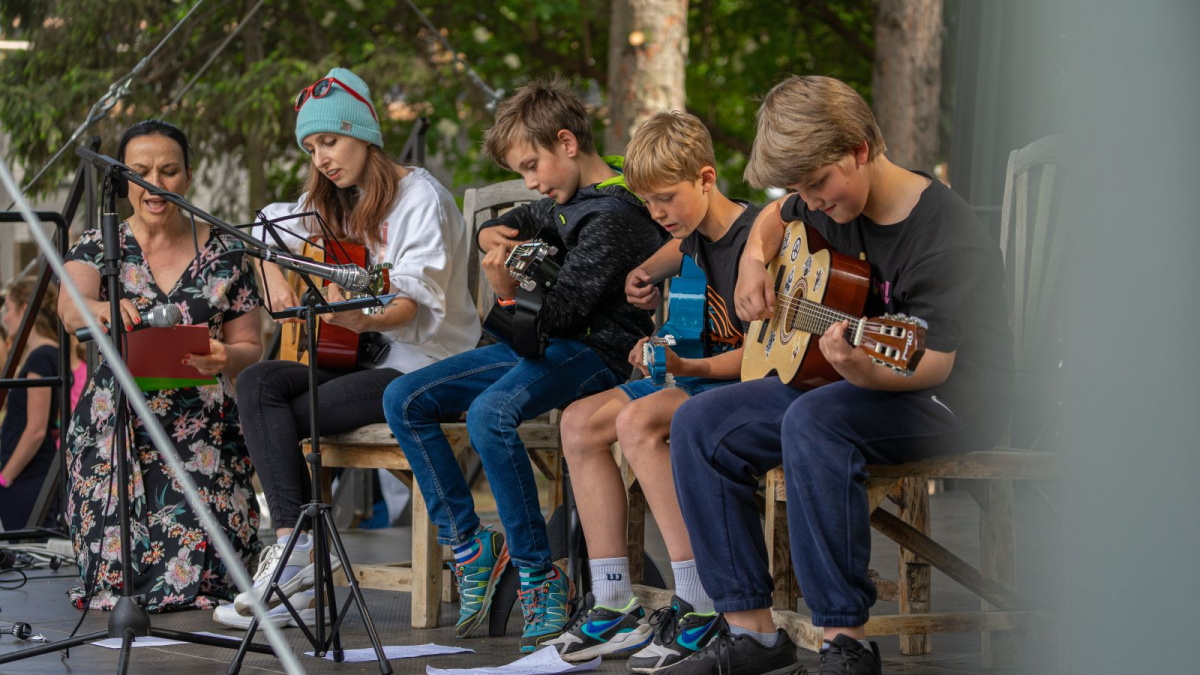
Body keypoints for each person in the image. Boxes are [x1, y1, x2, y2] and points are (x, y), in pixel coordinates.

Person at [666, 75, 1015, 675]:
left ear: (860, 148)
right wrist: (753, 262)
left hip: (949, 397)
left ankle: (844, 644)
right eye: (802, 187)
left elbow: (931, 362)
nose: (814, 200)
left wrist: (860, 369)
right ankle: (751, 634)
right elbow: (776, 216)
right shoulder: (830, 197)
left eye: (819, 183)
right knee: (700, 421)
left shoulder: (944, 237)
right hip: (854, 382)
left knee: (815, 419)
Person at [382, 77, 670, 653]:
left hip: (596, 354)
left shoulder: (611, 213)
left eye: (532, 165)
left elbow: (557, 319)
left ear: (567, 143)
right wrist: (496, 232)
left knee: (491, 413)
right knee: (403, 399)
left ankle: (540, 575)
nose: (531, 181)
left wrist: (506, 286)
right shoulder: (566, 198)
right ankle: (471, 548)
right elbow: (517, 219)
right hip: (535, 347)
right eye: (522, 171)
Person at [222, 67, 481, 628]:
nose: (321, 158)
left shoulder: (420, 199)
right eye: (311, 147)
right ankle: (298, 550)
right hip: (360, 362)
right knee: (257, 382)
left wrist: (351, 316)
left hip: (427, 367)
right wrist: (274, 286)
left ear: (365, 132)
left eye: (330, 141)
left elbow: (409, 307)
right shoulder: (332, 199)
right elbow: (267, 229)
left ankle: (298, 560)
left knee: (286, 415)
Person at [545, 111, 758, 667]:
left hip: (730, 383)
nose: (658, 212)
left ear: (707, 179)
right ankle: (615, 602)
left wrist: (684, 362)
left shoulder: (754, 242)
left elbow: (763, 358)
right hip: (692, 375)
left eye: (666, 198)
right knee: (578, 422)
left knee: (636, 422)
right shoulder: (689, 239)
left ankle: (699, 597)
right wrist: (643, 277)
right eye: (647, 202)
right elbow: (678, 255)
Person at [58, 119, 264, 612]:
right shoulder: (97, 242)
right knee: (118, 576)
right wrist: (105, 309)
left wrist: (224, 358)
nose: (156, 183)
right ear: (123, 179)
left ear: (188, 177)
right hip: (117, 420)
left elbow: (250, 347)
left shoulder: (226, 251)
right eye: (141, 170)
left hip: (200, 425)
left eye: (169, 171)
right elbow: (70, 311)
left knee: (204, 577)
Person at [0, 278, 62, 531]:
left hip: (27, 479)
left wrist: (5, 477)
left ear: (25, 310)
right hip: (29, 477)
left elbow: (36, 429)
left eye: (8, 309)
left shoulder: (40, 357)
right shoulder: (44, 354)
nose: (4, 317)